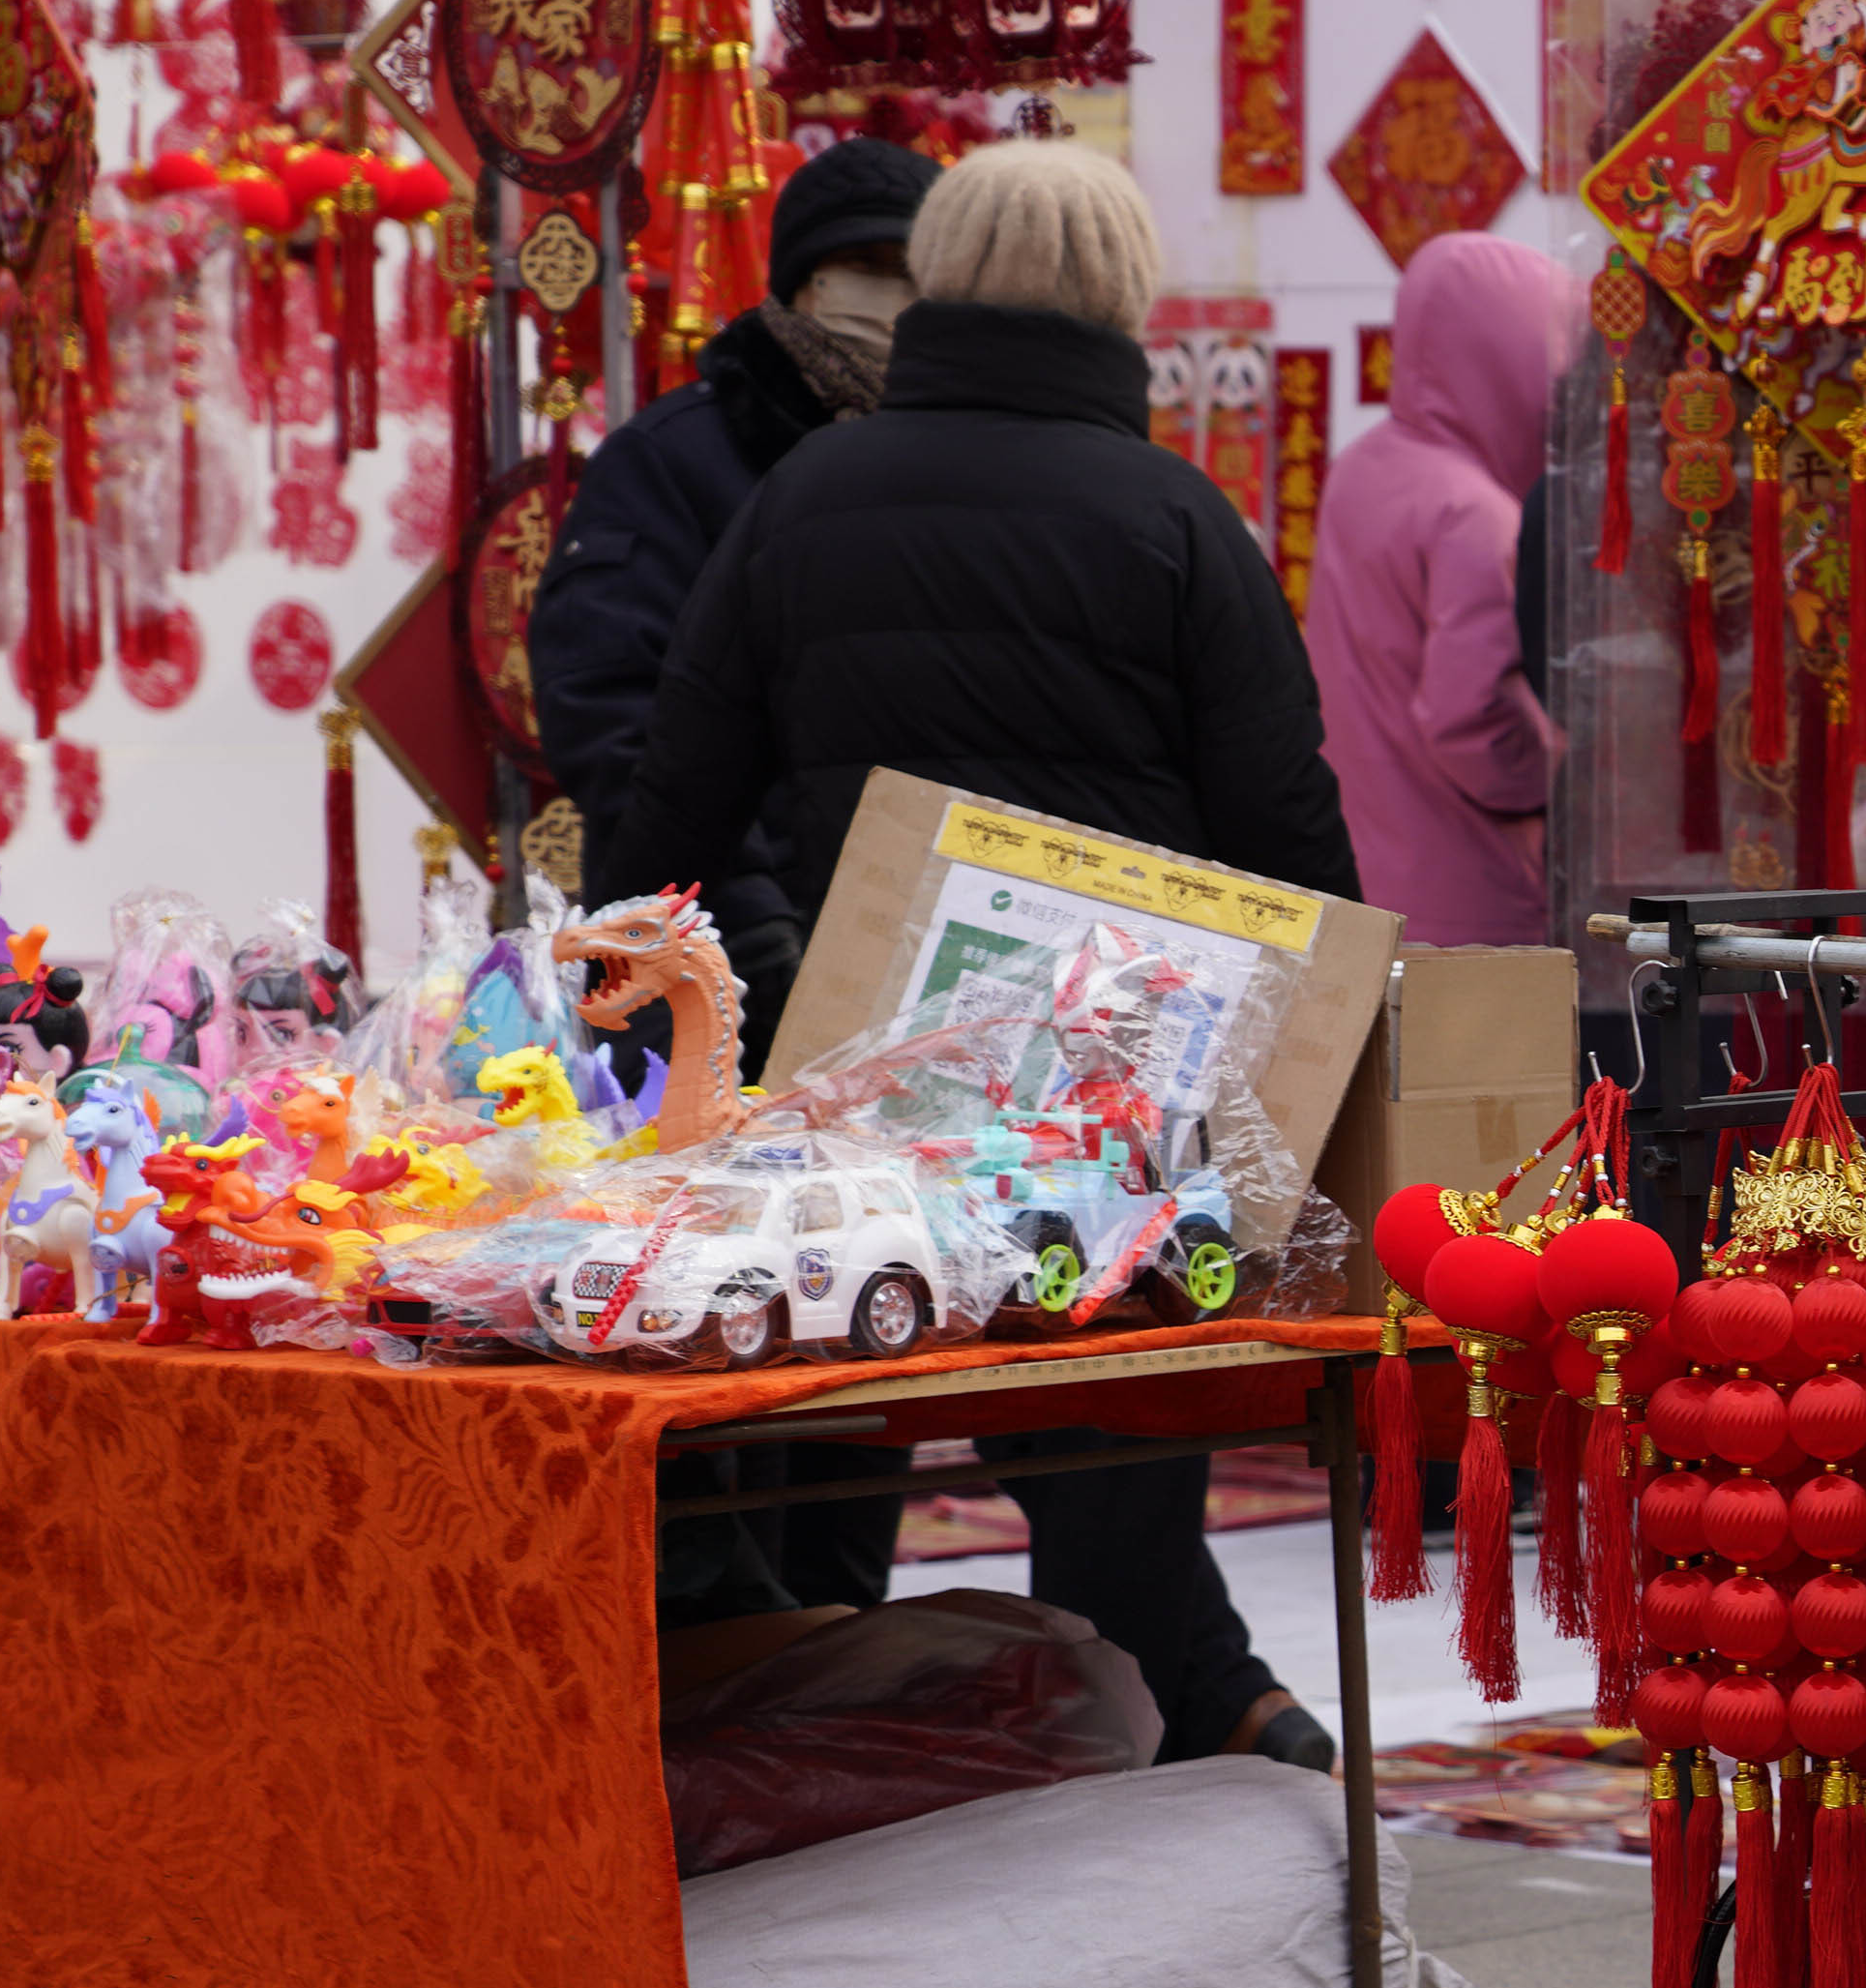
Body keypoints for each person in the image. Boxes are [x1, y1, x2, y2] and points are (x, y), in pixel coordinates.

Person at [605, 143, 1360, 1771]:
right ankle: (1157, 1793)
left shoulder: (805, 498)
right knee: (1106, 1487)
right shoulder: (1177, 521)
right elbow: (1292, 844)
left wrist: (676, 1050)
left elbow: (664, 812)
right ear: (1122, 295)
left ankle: (853, 1781)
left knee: (824, 1484)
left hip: (856, 1115)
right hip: (1113, 1134)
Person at [531, 138, 938, 1027]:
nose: (888, 296)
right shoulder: (671, 459)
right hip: (713, 966)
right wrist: (753, 931)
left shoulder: (959, 464)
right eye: (859, 268)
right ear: (799, 282)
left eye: (909, 271)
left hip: (922, 951)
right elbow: (611, 707)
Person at [1305, 231, 1573, 948]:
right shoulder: (1473, 509)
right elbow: (1472, 718)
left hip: (1366, 867)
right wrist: (1577, 773)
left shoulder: (1363, 467)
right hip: (1468, 895)